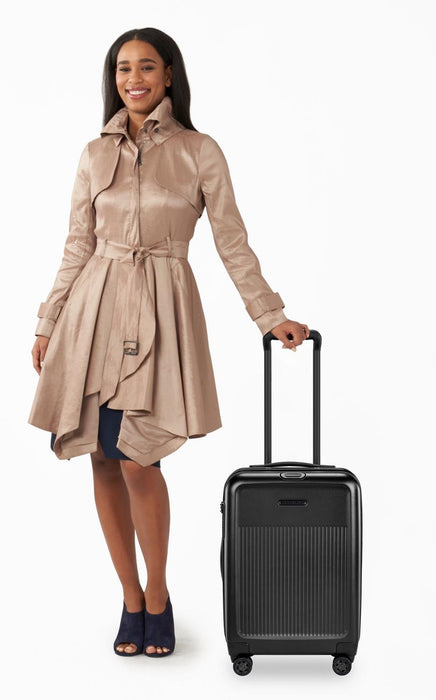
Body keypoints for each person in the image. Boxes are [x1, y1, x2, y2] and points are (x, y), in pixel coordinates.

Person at [28, 27, 310, 658]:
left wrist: (269, 316)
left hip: (160, 307)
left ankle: (157, 594)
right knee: (102, 456)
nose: (134, 79)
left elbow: (231, 241)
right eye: (123, 68)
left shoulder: (199, 150)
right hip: (93, 313)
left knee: (139, 457)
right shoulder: (93, 153)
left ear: (169, 75)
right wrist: (48, 321)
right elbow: (77, 244)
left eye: (147, 67)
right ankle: (130, 599)